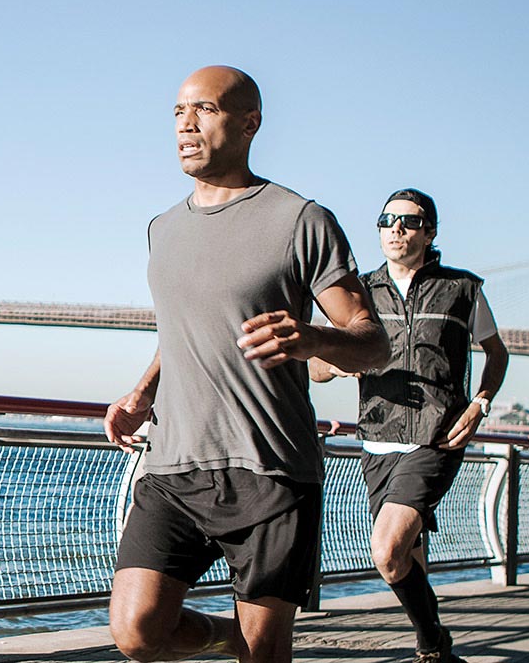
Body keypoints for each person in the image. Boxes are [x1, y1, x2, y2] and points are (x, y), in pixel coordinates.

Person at [104, 66, 390, 662]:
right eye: (178, 112)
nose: (185, 124)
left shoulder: (300, 219)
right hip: (174, 463)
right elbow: (183, 328)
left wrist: (312, 338)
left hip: (270, 469)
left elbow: (372, 342)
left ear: (250, 122)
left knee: (265, 655)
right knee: (136, 631)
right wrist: (141, 395)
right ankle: (223, 635)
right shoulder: (163, 229)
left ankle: (249, 642)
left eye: (204, 109)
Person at [310, 189, 509, 663]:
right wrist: (339, 365)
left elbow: (496, 353)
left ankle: (430, 642)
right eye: (387, 220)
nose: (396, 228)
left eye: (409, 221)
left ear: (430, 231)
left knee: (386, 548)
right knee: (406, 556)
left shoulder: (464, 289)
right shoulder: (357, 291)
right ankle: (435, 645)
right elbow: (315, 364)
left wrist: (480, 403)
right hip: (376, 441)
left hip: (438, 436)